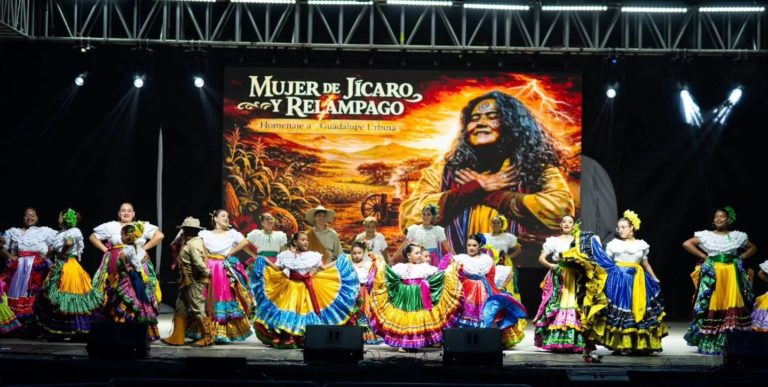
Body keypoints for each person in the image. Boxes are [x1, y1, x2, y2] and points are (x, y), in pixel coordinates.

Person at [399, 90, 575, 253]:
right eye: (474, 118)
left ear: (513, 125)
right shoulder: (445, 169)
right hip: (452, 271)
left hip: (513, 271)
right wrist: (468, 190)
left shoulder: (535, 166)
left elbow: (560, 210)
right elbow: (410, 215)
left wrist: (494, 194)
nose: (481, 123)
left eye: (492, 117)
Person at [251, 231, 359, 348]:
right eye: (302, 240)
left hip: (310, 286)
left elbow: (323, 267)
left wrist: (340, 260)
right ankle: (290, 337)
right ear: (295, 242)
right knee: (291, 312)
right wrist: (264, 259)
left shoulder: (313, 256)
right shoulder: (285, 255)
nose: (306, 242)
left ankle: (309, 337)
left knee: (310, 313)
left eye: (307, 240)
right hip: (291, 288)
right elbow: (278, 268)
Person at [532, 215, 608, 363]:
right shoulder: (553, 241)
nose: (567, 224)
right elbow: (542, 258)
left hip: (576, 277)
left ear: (574, 225)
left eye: (570, 222)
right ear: (560, 225)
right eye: (564, 222)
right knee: (558, 306)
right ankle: (557, 341)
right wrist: (553, 266)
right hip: (560, 277)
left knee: (577, 306)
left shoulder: (579, 240)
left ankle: (577, 342)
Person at [683, 207, 757, 354]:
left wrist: (740, 258)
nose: (719, 219)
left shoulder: (736, 236)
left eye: (722, 216)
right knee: (715, 301)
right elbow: (687, 243)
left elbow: (753, 247)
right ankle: (713, 341)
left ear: (728, 219)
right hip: (715, 273)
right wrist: (705, 257)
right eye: (716, 216)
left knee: (733, 302)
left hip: (731, 274)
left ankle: (735, 342)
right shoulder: (707, 236)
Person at [595, 210, 667, 354]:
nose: (620, 230)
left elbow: (646, 264)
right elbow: (606, 263)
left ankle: (639, 344)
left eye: (623, 227)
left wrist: (654, 277)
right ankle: (621, 344)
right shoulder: (613, 244)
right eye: (619, 228)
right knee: (621, 311)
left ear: (631, 228)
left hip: (637, 280)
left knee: (638, 309)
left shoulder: (641, 244)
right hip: (618, 282)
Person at [369, 243, 462, 352]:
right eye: (417, 253)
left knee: (417, 319)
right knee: (404, 320)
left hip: (419, 295)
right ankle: (403, 344)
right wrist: (379, 263)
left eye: (420, 253)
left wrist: (451, 267)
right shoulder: (400, 267)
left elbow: (440, 274)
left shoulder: (424, 267)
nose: (419, 255)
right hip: (404, 295)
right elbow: (388, 274)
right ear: (409, 255)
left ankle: (415, 342)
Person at [90, 203, 164, 340]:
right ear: (118, 213)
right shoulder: (111, 226)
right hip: (115, 263)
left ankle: (138, 328)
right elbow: (93, 237)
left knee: (138, 292)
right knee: (116, 292)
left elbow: (159, 235)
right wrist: (106, 250)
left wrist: (143, 249)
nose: (126, 213)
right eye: (123, 211)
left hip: (138, 264)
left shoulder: (141, 226)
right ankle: (115, 328)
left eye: (129, 211)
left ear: (134, 213)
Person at [34, 209, 102, 339]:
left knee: (69, 299)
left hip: (68, 266)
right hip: (61, 265)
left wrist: (61, 253)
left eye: (60, 216)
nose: (58, 219)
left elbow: (69, 243)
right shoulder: (61, 233)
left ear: (64, 218)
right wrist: (51, 253)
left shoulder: (73, 231)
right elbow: (55, 247)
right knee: (60, 298)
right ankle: (64, 330)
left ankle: (75, 330)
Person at [452, 233, 527, 348]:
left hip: (482, 289)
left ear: (480, 246)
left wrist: (496, 289)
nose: (471, 248)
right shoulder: (461, 258)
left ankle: (484, 340)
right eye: (469, 245)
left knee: (484, 313)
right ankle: (464, 341)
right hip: (466, 288)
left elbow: (491, 276)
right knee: (464, 313)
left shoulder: (486, 260)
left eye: (474, 245)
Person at [194, 209, 253, 343]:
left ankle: (221, 332)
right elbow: (199, 246)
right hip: (208, 266)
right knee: (205, 296)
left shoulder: (232, 233)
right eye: (223, 216)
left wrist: (231, 252)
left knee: (222, 295)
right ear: (215, 218)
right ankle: (205, 330)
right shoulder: (205, 234)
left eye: (228, 216)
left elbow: (244, 242)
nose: (226, 218)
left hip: (222, 267)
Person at [0, 208, 57, 332]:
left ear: (37, 218)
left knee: (35, 293)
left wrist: (47, 254)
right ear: (23, 217)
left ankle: (35, 325)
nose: (29, 218)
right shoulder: (13, 232)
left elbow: (59, 242)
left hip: (37, 267)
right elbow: (1, 246)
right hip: (19, 268)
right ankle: (17, 325)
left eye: (32, 216)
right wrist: (10, 256)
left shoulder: (44, 231)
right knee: (15, 292)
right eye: (26, 215)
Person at [162, 217, 212, 347]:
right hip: (186, 280)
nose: (183, 231)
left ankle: (207, 337)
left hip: (194, 281)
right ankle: (177, 336)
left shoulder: (194, 244)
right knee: (181, 307)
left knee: (197, 307)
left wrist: (206, 273)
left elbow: (198, 262)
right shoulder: (189, 242)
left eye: (185, 229)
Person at [347, 241, 382, 344]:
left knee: (366, 312)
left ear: (363, 253)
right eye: (354, 253)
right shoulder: (349, 264)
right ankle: (353, 336)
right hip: (353, 292)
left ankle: (367, 336)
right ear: (351, 253)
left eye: (359, 253)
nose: (357, 255)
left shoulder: (368, 264)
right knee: (353, 313)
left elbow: (378, 266)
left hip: (365, 292)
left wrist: (371, 251)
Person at [484, 214, 523, 299]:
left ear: (502, 224)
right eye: (494, 223)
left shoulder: (507, 237)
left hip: (503, 264)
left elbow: (519, 249)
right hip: (489, 264)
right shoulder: (485, 237)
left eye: (498, 223)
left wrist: (509, 257)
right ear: (491, 224)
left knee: (506, 285)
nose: (496, 225)